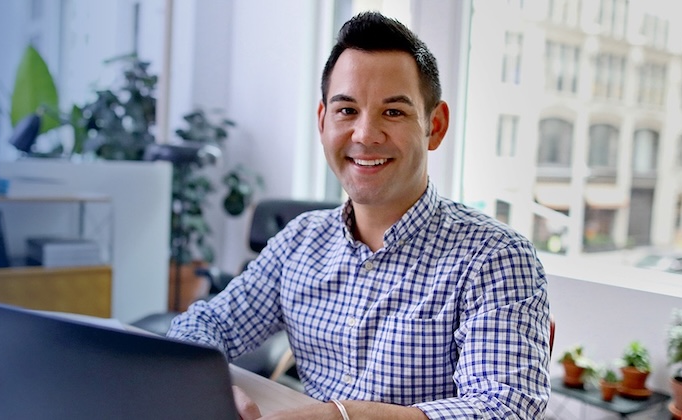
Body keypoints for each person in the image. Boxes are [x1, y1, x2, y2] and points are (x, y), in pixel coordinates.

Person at [167, 11, 551, 420]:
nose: (365, 135)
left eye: (393, 112)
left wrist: (344, 416)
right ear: (323, 120)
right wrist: (213, 387)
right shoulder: (299, 242)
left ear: (434, 126)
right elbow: (202, 326)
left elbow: (505, 409)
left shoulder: (494, 257)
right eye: (347, 110)